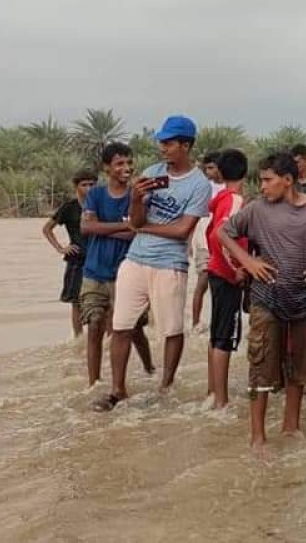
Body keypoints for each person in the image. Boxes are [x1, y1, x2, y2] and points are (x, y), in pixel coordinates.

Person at [93, 115, 212, 412]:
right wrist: (136, 199)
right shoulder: (153, 172)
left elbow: (182, 230)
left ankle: (165, 386)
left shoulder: (199, 185)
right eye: (162, 142)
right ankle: (117, 389)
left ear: (185, 145)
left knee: (171, 329)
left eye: (169, 143)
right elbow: (135, 220)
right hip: (135, 258)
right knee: (120, 325)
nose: (163, 147)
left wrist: (143, 228)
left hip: (170, 263)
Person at [217, 152, 306, 455]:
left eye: (268, 180)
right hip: (266, 298)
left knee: (299, 367)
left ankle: (291, 427)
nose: (262, 186)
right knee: (261, 366)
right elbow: (222, 232)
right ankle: (258, 436)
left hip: (302, 298)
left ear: (288, 180)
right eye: (260, 180)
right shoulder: (256, 210)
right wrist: (247, 261)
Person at [79, 143, 154, 387]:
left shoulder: (137, 195)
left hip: (127, 272)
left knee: (131, 329)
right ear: (107, 168)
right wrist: (124, 226)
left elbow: (138, 231)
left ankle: (149, 367)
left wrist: (104, 228)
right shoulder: (96, 194)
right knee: (94, 325)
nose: (127, 168)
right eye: (120, 163)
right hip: (94, 271)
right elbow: (87, 228)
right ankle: (94, 382)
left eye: (129, 163)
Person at [204, 148, 248, 410]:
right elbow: (221, 236)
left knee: (216, 333)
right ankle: (221, 401)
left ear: (219, 172)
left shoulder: (222, 199)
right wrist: (237, 269)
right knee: (225, 337)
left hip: (217, 271)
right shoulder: (234, 201)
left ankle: (213, 392)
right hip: (226, 275)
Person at [43, 169, 98, 338]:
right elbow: (47, 229)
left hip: (98, 257)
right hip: (77, 259)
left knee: (103, 301)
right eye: (84, 185)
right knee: (76, 302)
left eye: (92, 184)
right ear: (76, 186)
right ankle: (79, 339)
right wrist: (60, 248)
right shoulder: (69, 207)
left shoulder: (100, 205)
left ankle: (104, 339)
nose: (88, 188)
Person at [190, 152, 224, 332]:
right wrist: (189, 241)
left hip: (222, 243)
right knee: (202, 281)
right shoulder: (203, 188)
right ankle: (195, 321)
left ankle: (218, 321)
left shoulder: (229, 188)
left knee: (220, 286)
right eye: (207, 168)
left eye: (212, 167)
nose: (209, 171)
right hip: (203, 240)